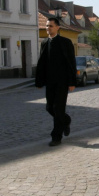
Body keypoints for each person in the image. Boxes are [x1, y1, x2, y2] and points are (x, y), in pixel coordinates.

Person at [35, 17, 77, 147]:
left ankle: (56, 137)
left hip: (62, 82)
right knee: (49, 107)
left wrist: (71, 82)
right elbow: (42, 63)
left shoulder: (65, 42)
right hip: (50, 82)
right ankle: (66, 120)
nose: (48, 28)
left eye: (51, 26)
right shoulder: (45, 42)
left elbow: (71, 63)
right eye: (47, 26)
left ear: (58, 27)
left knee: (58, 109)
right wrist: (39, 81)